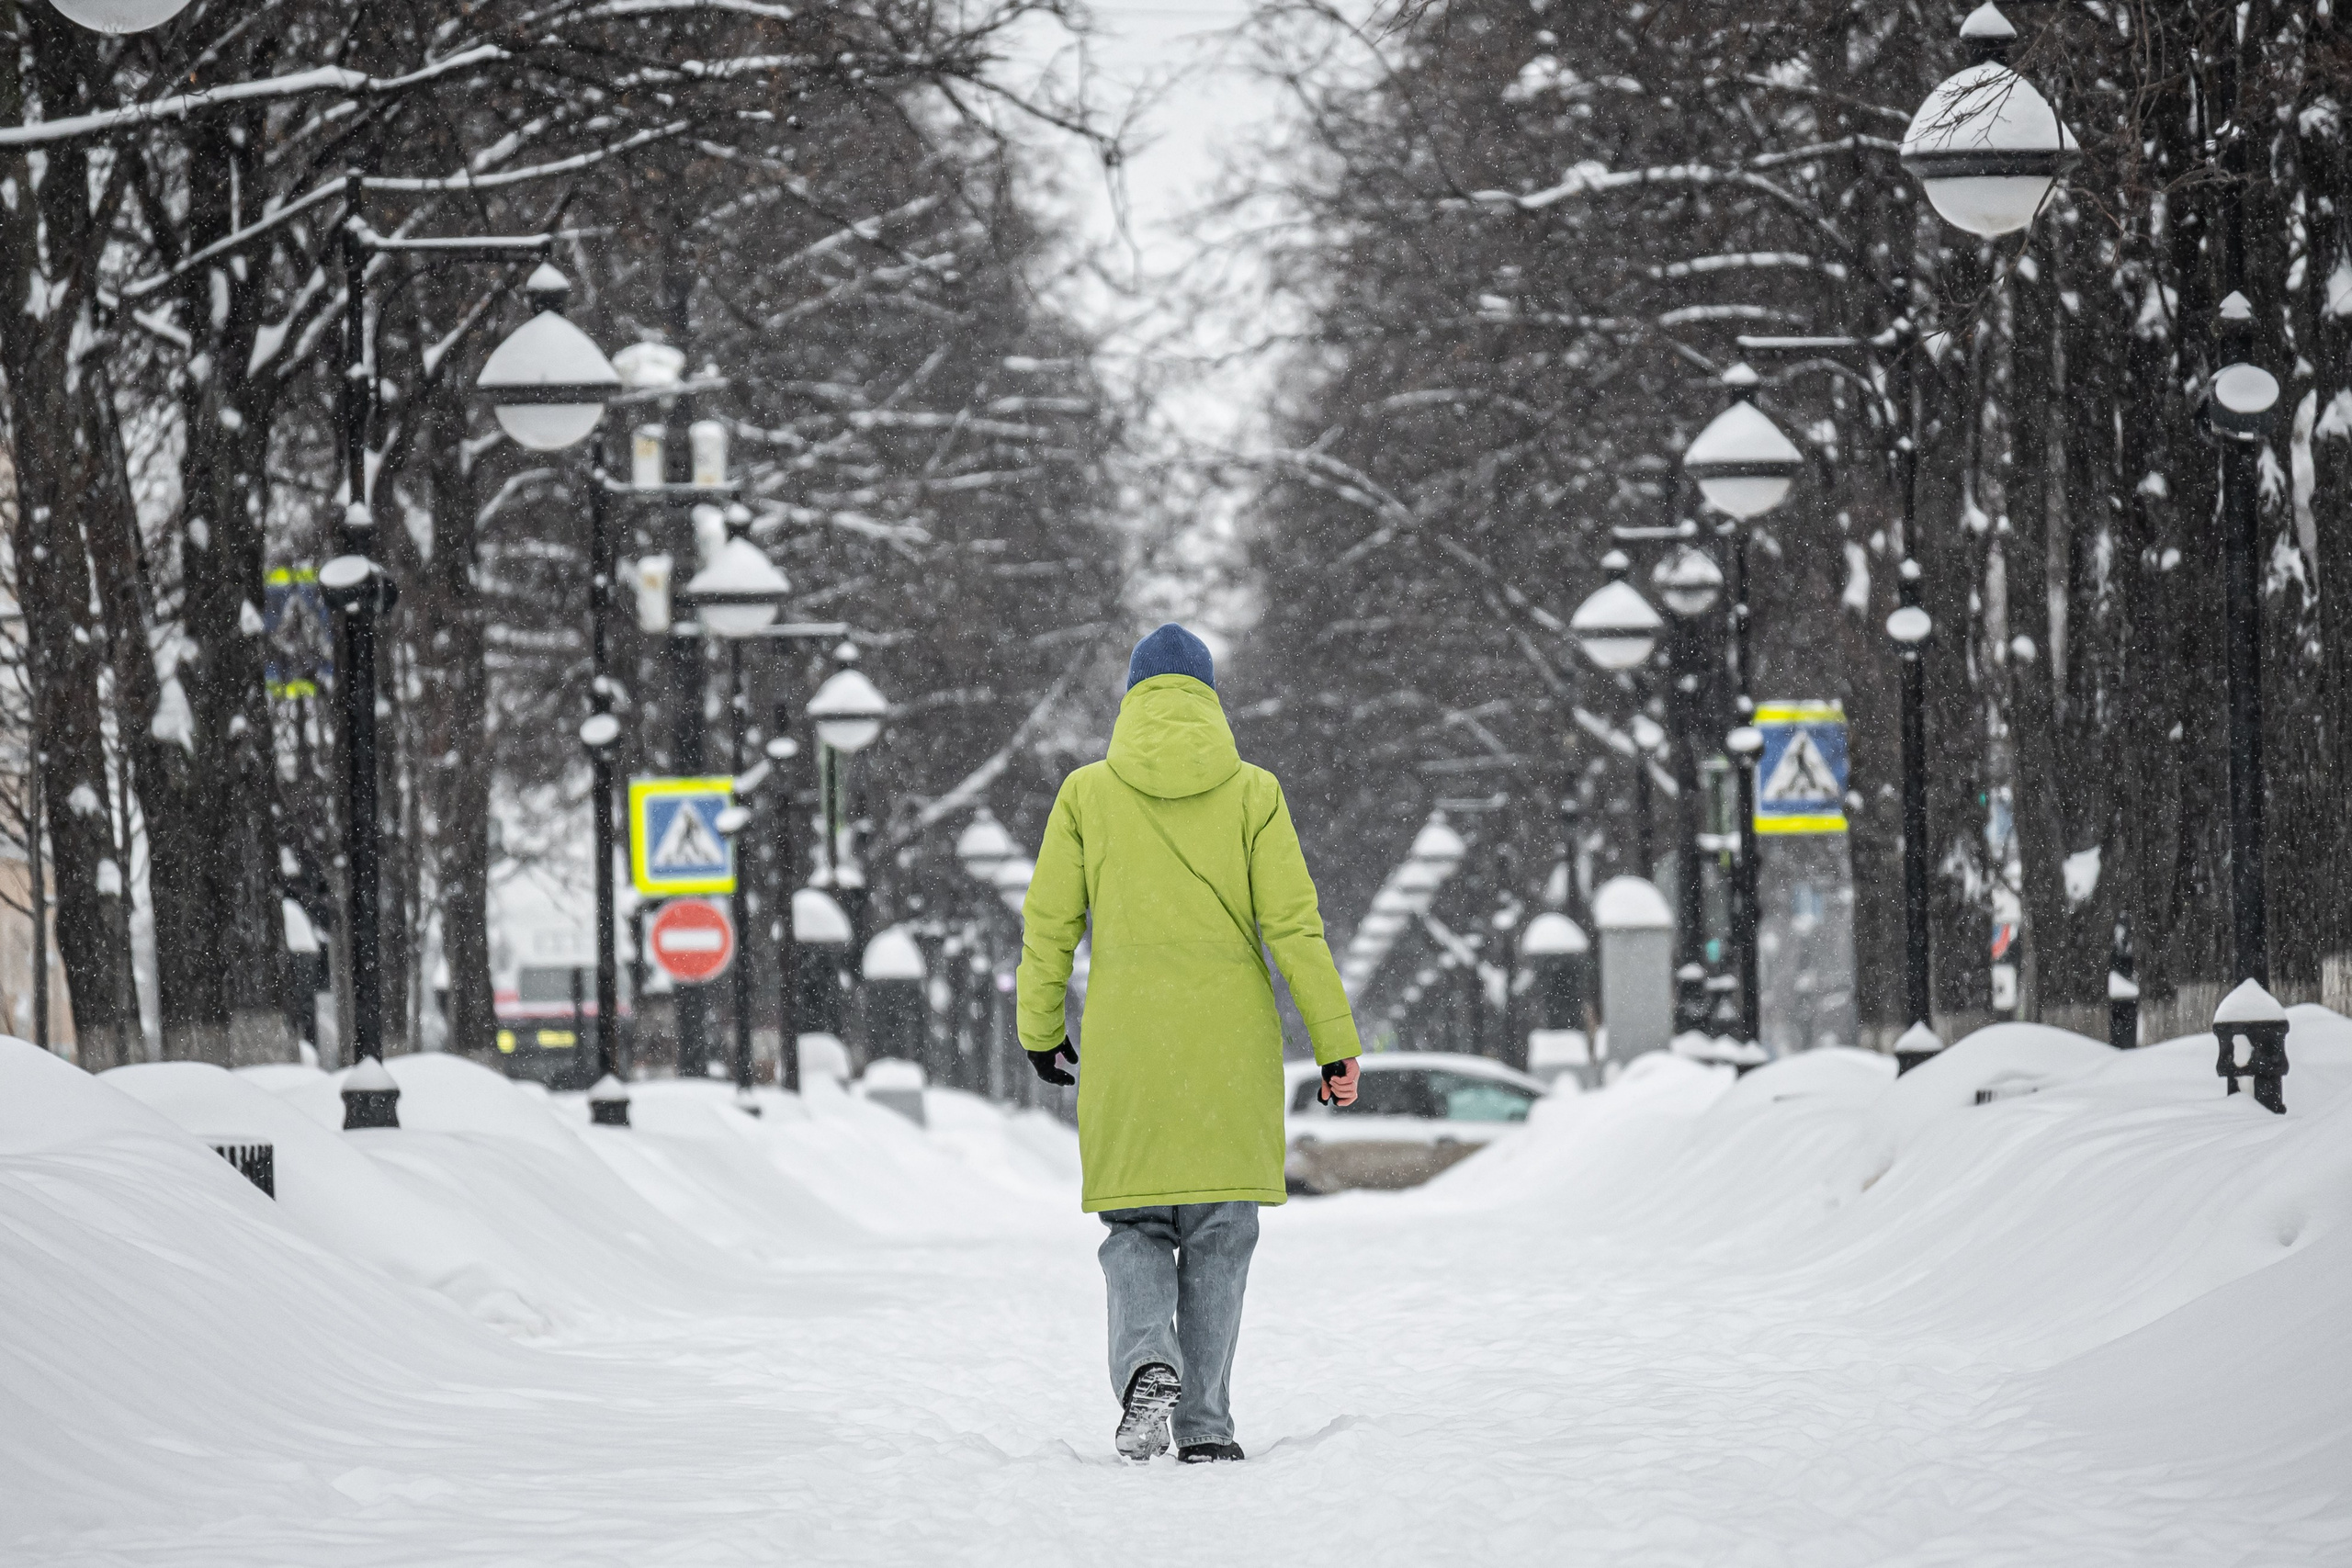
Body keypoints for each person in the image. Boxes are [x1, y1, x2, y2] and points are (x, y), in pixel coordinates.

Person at [1017, 623, 1363, 1464]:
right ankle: (1206, 1426)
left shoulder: (1086, 795)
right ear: (1211, 698)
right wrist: (1335, 1044)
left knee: (1135, 1227)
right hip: (1228, 1060)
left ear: (1131, 698)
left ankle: (1146, 1365)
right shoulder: (1255, 794)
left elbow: (1049, 923)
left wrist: (1040, 1030)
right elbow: (1294, 927)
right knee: (1219, 1232)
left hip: (1130, 1057)